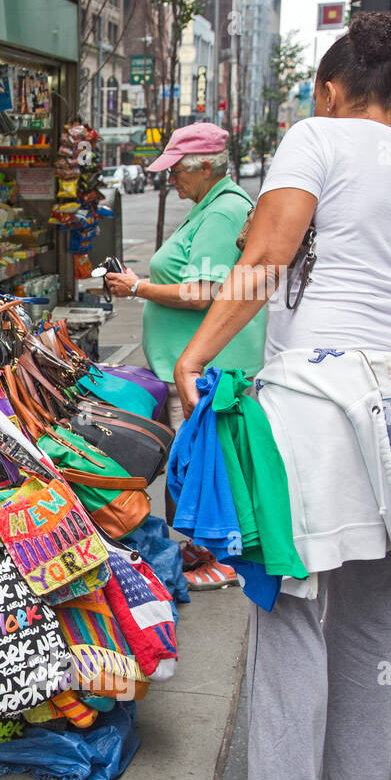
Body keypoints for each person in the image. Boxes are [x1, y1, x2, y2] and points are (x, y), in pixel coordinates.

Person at [174, 12, 391, 780]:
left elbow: (267, 255)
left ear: (328, 88)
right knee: (369, 608)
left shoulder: (315, 136)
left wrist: (198, 356)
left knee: (284, 600)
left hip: (323, 404)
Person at [104, 122, 262, 590]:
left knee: (206, 466)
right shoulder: (210, 207)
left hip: (207, 367)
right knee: (196, 463)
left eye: (177, 170)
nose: (170, 179)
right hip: (194, 364)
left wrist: (138, 287)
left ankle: (223, 559)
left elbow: (203, 291)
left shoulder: (222, 213)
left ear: (207, 168)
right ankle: (202, 550)